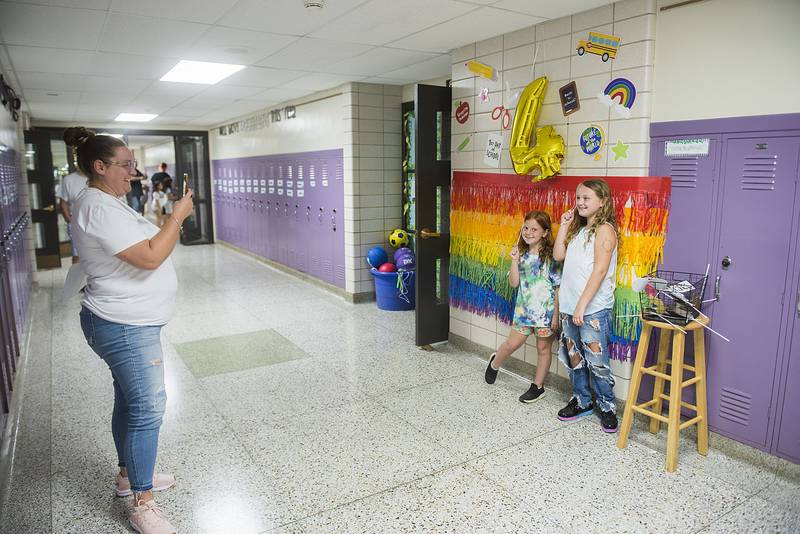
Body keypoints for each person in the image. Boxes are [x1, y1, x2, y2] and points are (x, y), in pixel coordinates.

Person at [64, 126, 193, 534]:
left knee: (129, 400)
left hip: (129, 320)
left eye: (133, 165)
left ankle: (129, 474)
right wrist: (176, 216)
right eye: (125, 166)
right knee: (148, 407)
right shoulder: (98, 206)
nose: (133, 173)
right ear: (99, 167)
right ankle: (142, 501)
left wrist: (169, 225)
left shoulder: (108, 201)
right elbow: (150, 257)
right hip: (123, 325)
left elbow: (146, 246)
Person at [553, 179, 619, 433]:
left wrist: (581, 306)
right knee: (574, 358)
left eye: (586, 198)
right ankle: (582, 400)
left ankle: (607, 406)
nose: (580, 202)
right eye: (578, 197)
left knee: (597, 362)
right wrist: (564, 225)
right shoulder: (580, 230)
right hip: (571, 307)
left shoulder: (605, 230)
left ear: (602, 201)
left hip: (591, 310)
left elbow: (600, 270)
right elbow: (559, 255)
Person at [485, 211, 561, 403]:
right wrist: (514, 260)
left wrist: (555, 316)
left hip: (546, 314)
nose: (528, 232)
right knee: (512, 344)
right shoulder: (521, 254)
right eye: (525, 228)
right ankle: (494, 363)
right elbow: (513, 283)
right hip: (524, 312)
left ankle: (538, 386)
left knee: (543, 349)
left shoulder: (552, 257)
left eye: (534, 229)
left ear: (544, 232)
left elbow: (558, 287)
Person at [58, 153, 89, 263]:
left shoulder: (97, 178)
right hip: (77, 223)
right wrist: (70, 221)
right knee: (78, 255)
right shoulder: (68, 180)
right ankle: (77, 280)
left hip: (96, 222)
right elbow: (63, 203)